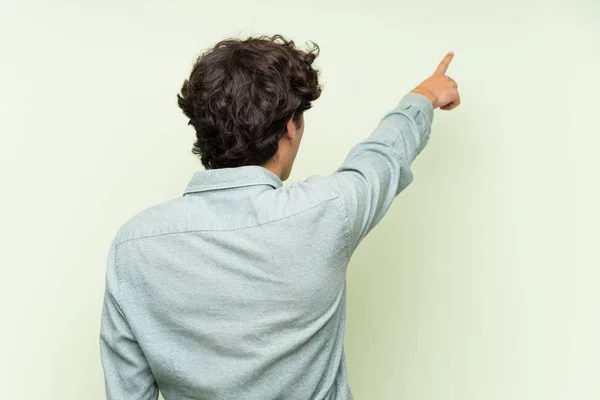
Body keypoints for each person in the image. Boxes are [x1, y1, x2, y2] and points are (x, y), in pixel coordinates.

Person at [99, 34, 460, 400]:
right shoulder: (328, 211)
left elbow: (128, 390)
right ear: (290, 126)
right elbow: (381, 157)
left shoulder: (133, 246)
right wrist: (425, 96)